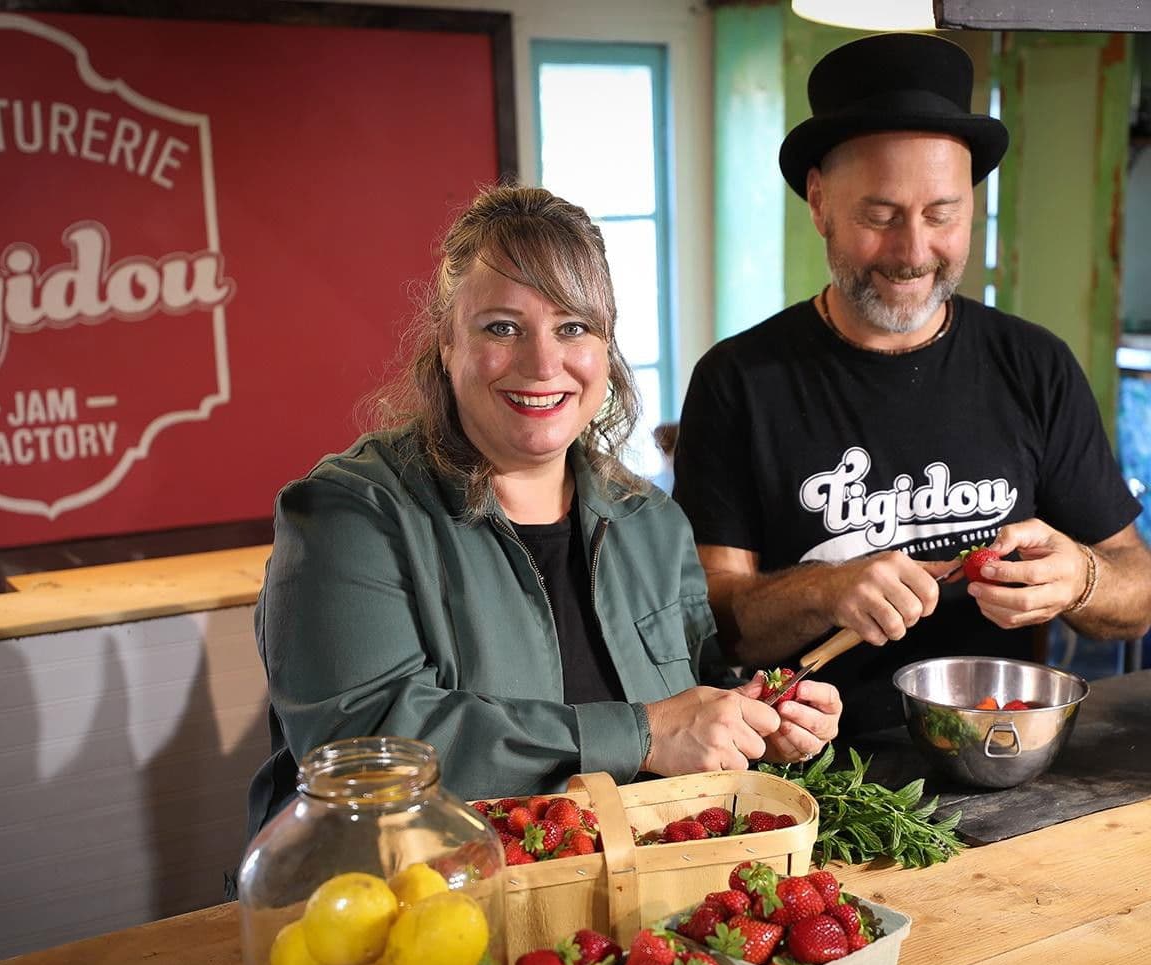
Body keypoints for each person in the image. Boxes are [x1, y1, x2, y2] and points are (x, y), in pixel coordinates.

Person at [248, 186, 841, 832]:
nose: (542, 362)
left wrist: (753, 720)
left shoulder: (650, 521)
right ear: (446, 342)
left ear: (605, 347)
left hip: (623, 882)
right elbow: (365, 752)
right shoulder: (347, 515)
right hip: (413, 885)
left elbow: (694, 702)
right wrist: (642, 734)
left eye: (572, 327)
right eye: (502, 327)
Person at [672, 34, 1151, 730]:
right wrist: (825, 590)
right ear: (819, 203)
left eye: (942, 215)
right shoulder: (739, 380)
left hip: (1003, 745)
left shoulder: (1034, 365)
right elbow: (710, 626)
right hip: (812, 762)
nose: (912, 253)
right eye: (880, 216)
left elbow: (1138, 595)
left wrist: (1082, 578)